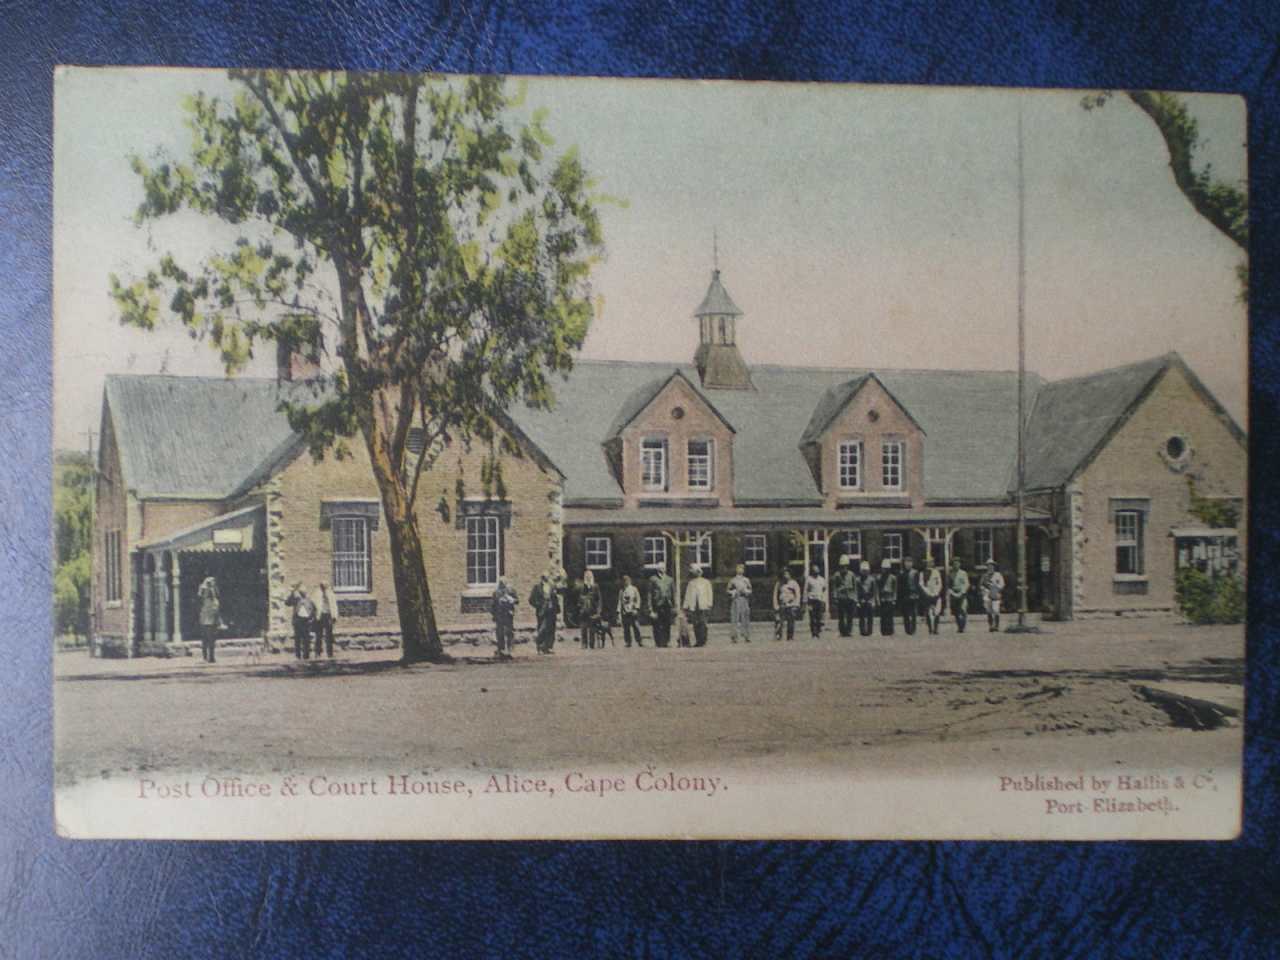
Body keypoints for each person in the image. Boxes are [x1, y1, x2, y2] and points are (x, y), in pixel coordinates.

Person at [683, 563, 714, 647]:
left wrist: (709, 604)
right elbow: (688, 595)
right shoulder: (691, 583)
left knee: (703, 623)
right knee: (695, 623)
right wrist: (685, 606)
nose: (696, 574)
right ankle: (698, 640)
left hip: (703, 605)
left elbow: (709, 593)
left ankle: (703, 640)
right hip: (694, 605)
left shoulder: (706, 582)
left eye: (697, 572)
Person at [528, 571, 559, 654]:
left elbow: (555, 598)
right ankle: (540, 646)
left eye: (548, 577)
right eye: (546, 577)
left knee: (551, 629)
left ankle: (549, 647)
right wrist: (539, 605)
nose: (548, 578)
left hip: (551, 611)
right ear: (542, 578)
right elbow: (531, 599)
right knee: (542, 629)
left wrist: (556, 608)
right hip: (542, 611)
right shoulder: (537, 587)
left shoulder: (552, 587)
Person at [648, 562, 676, 648]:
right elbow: (649, 594)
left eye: (663, 568)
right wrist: (650, 609)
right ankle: (658, 642)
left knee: (667, 624)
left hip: (667, 605)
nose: (662, 569)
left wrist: (675, 606)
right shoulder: (653, 579)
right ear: (657, 569)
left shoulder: (670, 579)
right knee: (657, 624)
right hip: (657, 605)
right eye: (660, 568)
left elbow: (673, 593)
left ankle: (666, 641)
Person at [286, 582, 315, 659]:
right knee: (297, 639)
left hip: (306, 620)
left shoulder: (309, 600)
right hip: (298, 620)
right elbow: (287, 603)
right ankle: (298, 655)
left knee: (306, 638)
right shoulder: (296, 600)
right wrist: (292, 593)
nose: (303, 593)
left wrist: (311, 618)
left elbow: (313, 610)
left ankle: (306, 655)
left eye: (304, 592)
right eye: (301, 592)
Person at [491, 576, 518, 659]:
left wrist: (512, 600)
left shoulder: (511, 591)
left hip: (508, 615)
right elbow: (493, 605)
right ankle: (501, 649)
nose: (503, 585)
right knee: (500, 633)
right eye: (501, 583)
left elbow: (517, 600)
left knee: (509, 632)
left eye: (504, 583)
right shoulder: (496, 593)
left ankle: (510, 650)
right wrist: (494, 615)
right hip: (500, 615)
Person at [773, 567, 801, 641]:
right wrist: (775, 605)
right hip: (782, 604)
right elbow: (775, 594)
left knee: (791, 621)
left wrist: (796, 604)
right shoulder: (779, 583)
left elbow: (798, 594)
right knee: (779, 621)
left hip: (791, 605)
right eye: (784, 574)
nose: (786, 575)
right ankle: (778, 635)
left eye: (787, 574)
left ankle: (790, 636)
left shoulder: (794, 583)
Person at [832, 554, 857, 637]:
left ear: (847, 566)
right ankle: (842, 631)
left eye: (845, 566)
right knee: (841, 616)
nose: (844, 568)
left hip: (850, 597)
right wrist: (835, 597)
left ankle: (849, 631)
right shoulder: (837, 575)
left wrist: (855, 598)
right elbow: (834, 587)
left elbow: (855, 587)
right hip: (841, 597)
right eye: (842, 566)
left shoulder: (852, 574)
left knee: (850, 616)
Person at [197, 575, 220, 663]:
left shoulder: (214, 600)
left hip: (212, 619)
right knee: (205, 639)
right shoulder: (204, 600)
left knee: (211, 639)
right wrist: (204, 586)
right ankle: (205, 657)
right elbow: (200, 595)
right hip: (206, 619)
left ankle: (211, 657)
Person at [728, 564, 753, 643]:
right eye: (738, 568)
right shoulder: (733, 580)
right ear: (736, 570)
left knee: (745, 617)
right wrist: (733, 592)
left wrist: (746, 592)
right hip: (736, 599)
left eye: (742, 569)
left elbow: (750, 590)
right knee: (735, 618)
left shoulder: (746, 580)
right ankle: (734, 637)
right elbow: (728, 590)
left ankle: (747, 636)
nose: (740, 570)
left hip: (744, 599)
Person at [577, 570, 602, 649]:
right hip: (584, 611)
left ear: (592, 577)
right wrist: (580, 607)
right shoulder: (581, 587)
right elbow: (578, 599)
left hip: (592, 610)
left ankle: (591, 644)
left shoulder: (595, 586)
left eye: (589, 577)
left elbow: (599, 600)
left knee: (592, 628)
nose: (588, 578)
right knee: (583, 628)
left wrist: (598, 611)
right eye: (586, 577)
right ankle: (584, 644)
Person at [312, 581, 338, 658]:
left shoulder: (331, 594)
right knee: (318, 635)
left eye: (325, 586)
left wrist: (334, 616)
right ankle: (318, 652)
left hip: (328, 615)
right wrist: (314, 615)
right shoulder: (316, 594)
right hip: (320, 616)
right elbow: (313, 604)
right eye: (322, 586)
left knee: (329, 635)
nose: (324, 587)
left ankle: (330, 653)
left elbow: (334, 605)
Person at [618, 575, 643, 647]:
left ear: (630, 581)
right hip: (625, 612)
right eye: (624, 581)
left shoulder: (634, 589)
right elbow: (619, 601)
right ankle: (628, 642)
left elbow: (638, 599)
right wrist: (619, 611)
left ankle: (639, 641)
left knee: (636, 626)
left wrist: (636, 608)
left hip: (633, 611)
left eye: (627, 580)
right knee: (626, 628)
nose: (626, 582)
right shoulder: (621, 591)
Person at [981, 559, 1006, 632]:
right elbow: (981, 585)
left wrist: (996, 587)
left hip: (995, 593)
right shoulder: (985, 576)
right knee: (989, 610)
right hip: (987, 594)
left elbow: (1002, 584)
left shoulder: (998, 575)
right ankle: (991, 625)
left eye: (992, 566)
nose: (990, 567)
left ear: (994, 567)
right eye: (988, 566)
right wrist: (983, 589)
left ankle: (997, 626)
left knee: (996, 610)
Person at [855, 561, 878, 637]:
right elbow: (857, 591)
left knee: (870, 617)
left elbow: (874, 591)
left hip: (870, 600)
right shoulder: (858, 580)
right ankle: (862, 631)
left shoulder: (872, 579)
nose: (864, 572)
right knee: (862, 617)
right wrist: (857, 601)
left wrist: (874, 601)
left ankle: (869, 631)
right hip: (862, 600)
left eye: (866, 571)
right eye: (863, 571)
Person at [804, 563, 827, 638]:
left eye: (817, 570)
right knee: (812, 617)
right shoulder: (809, 579)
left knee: (819, 617)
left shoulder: (822, 579)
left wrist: (823, 599)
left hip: (819, 600)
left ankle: (818, 631)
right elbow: (806, 590)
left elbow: (824, 589)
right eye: (814, 570)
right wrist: (805, 601)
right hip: (811, 600)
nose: (816, 571)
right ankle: (813, 633)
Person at [900, 556, 922, 636]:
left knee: (913, 613)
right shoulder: (902, 573)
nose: (908, 564)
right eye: (906, 562)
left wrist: (918, 594)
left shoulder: (915, 573)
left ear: (912, 564)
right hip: (905, 595)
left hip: (914, 595)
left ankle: (913, 629)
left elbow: (918, 584)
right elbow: (900, 586)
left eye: (909, 562)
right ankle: (907, 629)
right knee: (906, 613)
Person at [948, 558, 970, 634]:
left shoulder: (963, 573)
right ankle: (959, 627)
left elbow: (966, 584)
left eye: (957, 563)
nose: (956, 565)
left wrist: (962, 592)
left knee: (963, 610)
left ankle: (963, 626)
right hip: (954, 593)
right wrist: (952, 592)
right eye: (954, 564)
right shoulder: (950, 574)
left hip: (962, 594)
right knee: (956, 611)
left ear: (960, 564)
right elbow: (948, 585)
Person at [922, 560, 944, 635]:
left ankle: (936, 628)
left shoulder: (936, 573)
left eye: (930, 563)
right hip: (927, 595)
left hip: (936, 595)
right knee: (928, 612)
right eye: (927, 563)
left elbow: (940, 583)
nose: (929, 564)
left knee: (937, 612)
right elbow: (921, 585)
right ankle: (930, 628)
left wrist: (936, 592)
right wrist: (928, 593)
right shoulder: (922, 573)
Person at [878, 558, 898, 636]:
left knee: (890, 616)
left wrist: (894, 599)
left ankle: (890, 630)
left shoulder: (893, 578)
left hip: (890, 598)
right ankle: (883, 630)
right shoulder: (880, 577)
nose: (885, 570)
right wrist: (879, 600)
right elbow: (878, 589)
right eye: (883, 568)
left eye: (886, 569)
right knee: (883, 616)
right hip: (883, 598)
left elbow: (895, 589)